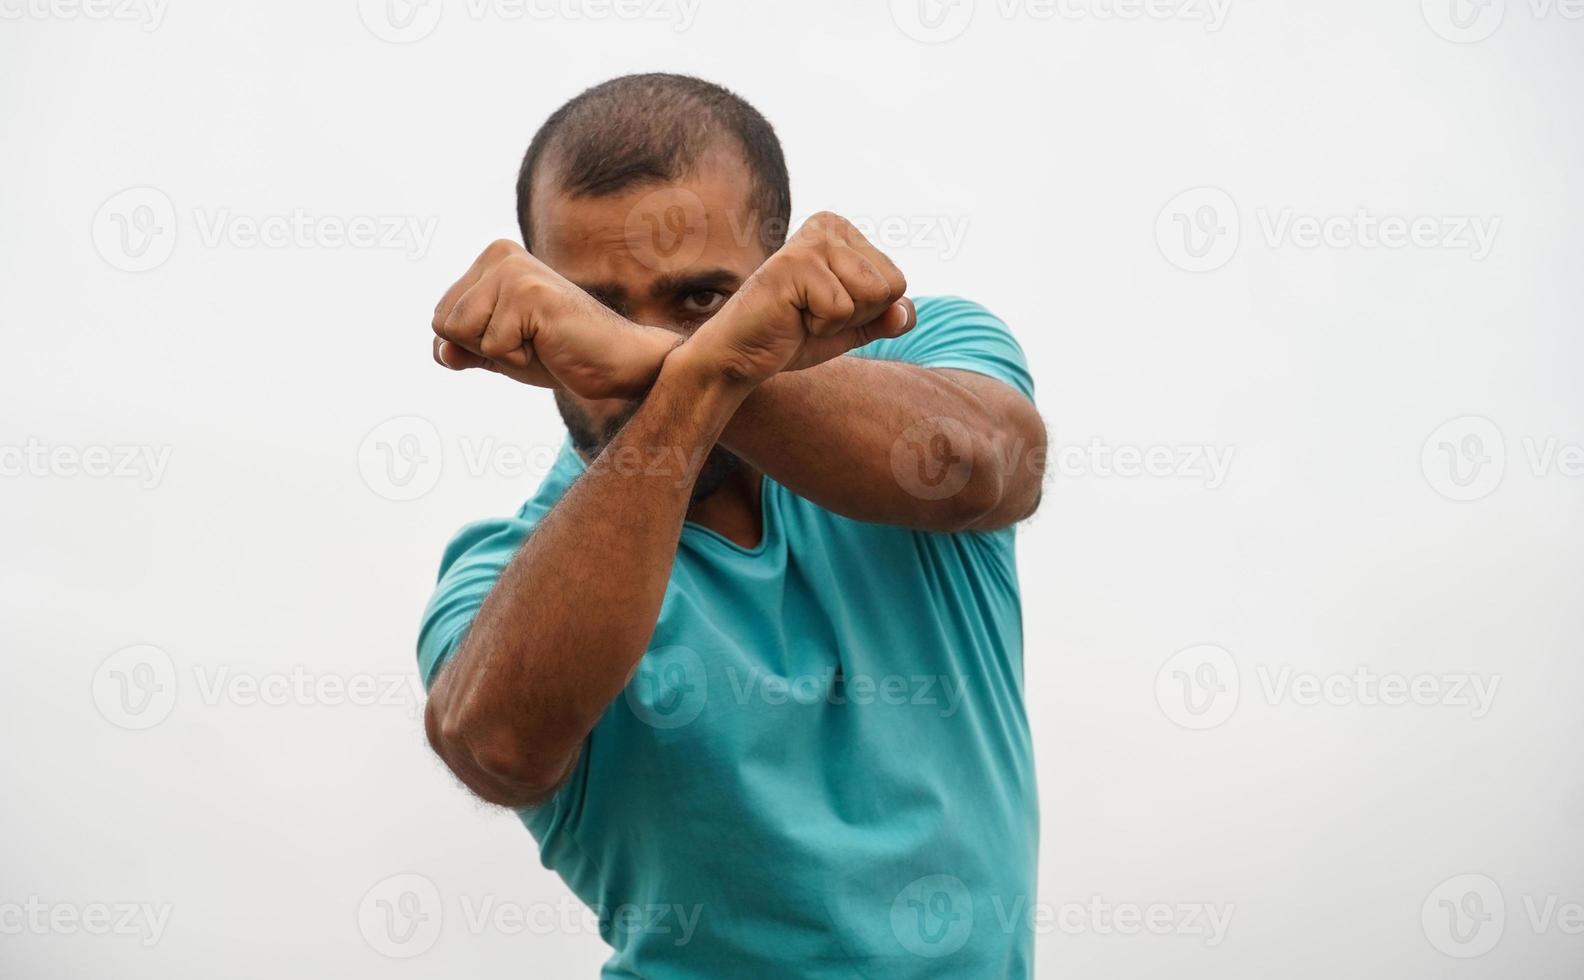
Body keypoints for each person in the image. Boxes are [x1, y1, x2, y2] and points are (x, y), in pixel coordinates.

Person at [418, 72, 1047, 978]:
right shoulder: (507, 574)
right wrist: (713, 362)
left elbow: (993, 463)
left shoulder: (927, 354)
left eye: (702, 300)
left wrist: (652, 364)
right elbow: (497, 746)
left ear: (781, 272)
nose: (635, 343)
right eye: (595, 311)